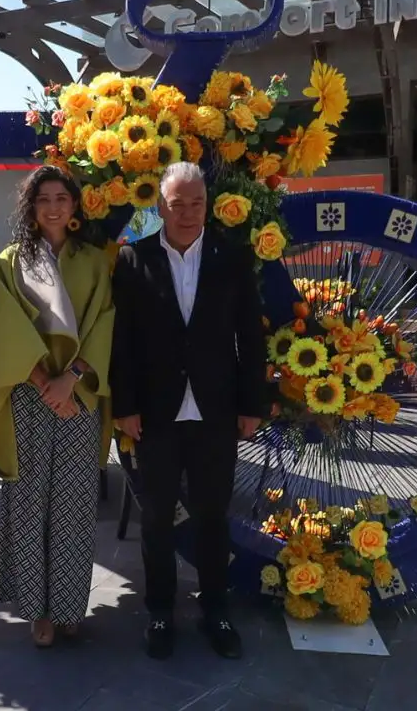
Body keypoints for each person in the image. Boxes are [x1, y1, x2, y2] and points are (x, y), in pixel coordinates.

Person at [110, 162, 265, 661]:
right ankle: (160, 611)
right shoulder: (134, 260)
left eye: (196, 203)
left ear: (208, 204)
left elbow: (250, 337)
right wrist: (126, 407)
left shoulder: (233, 257)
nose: (188, 213)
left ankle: (215, 609)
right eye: (177, 204)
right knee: (156, 518)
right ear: (161, 206)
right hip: (155, 413)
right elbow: (123, 342)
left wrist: (251, 404)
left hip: (215, 410)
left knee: (213, 515)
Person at [0, 165, 115, 648]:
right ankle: (36, 610)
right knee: (28, 501)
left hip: (79, 394)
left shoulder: (95, 262)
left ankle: (66, 607)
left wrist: (73, 379)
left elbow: (104, 322)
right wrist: (46, 381)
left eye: (62, 197)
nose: (54, 206)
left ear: (75, 206)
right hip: (30, 393)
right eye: (43, 199)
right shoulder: (10, 261)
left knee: (75, 505)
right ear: (31, 207)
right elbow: (7, 327)